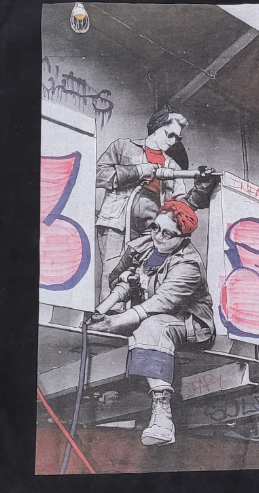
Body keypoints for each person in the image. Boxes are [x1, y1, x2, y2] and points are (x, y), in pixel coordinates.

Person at [88, 199, 214, 446]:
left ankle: (163, 417)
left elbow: (162, 302)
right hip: (146, 317)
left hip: (189, 323)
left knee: (152, 326)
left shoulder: (188, 263)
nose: (158, 236)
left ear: (183, 238)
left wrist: (116, 321)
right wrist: (123, 281)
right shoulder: (143, 246)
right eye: (156, 227)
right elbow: (116, 277)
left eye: (167, 233)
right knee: (138, 327)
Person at [94, 104, 213, 299]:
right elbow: (97, 175)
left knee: (143, 281)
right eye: (169, 134)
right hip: (117, 223)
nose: (172, 141)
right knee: (113, 274)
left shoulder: (172, 166)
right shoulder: (123, 147)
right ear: (156, 126)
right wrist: (138, 171)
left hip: (151, 231)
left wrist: (202, 187)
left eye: (177, 138)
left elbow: (180, 207)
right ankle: (108, 316)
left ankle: (133, 317)